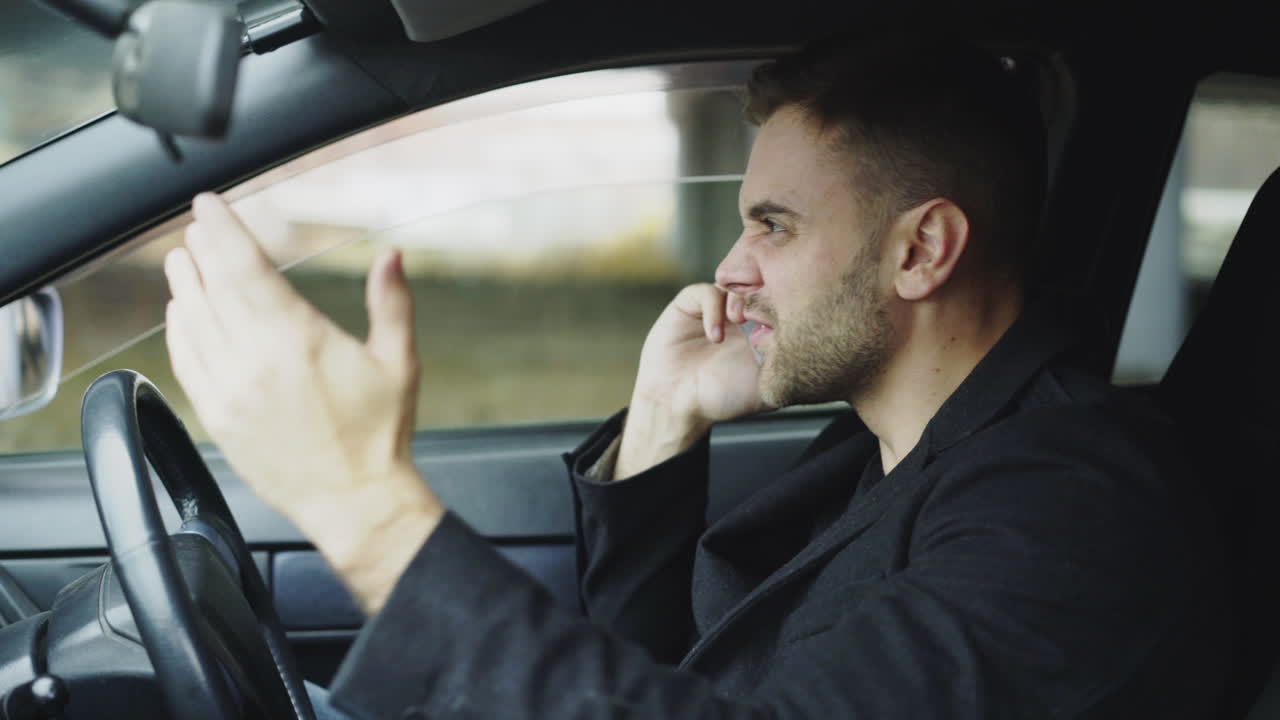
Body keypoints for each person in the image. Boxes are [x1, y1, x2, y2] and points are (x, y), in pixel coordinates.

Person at [163, 32, 1229, 720]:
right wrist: (664, 425)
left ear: (921, 250)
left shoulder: (1073, 508)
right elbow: (663, 679)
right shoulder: (888, 442)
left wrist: (365, 510)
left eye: (774, 226)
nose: (728, 271)